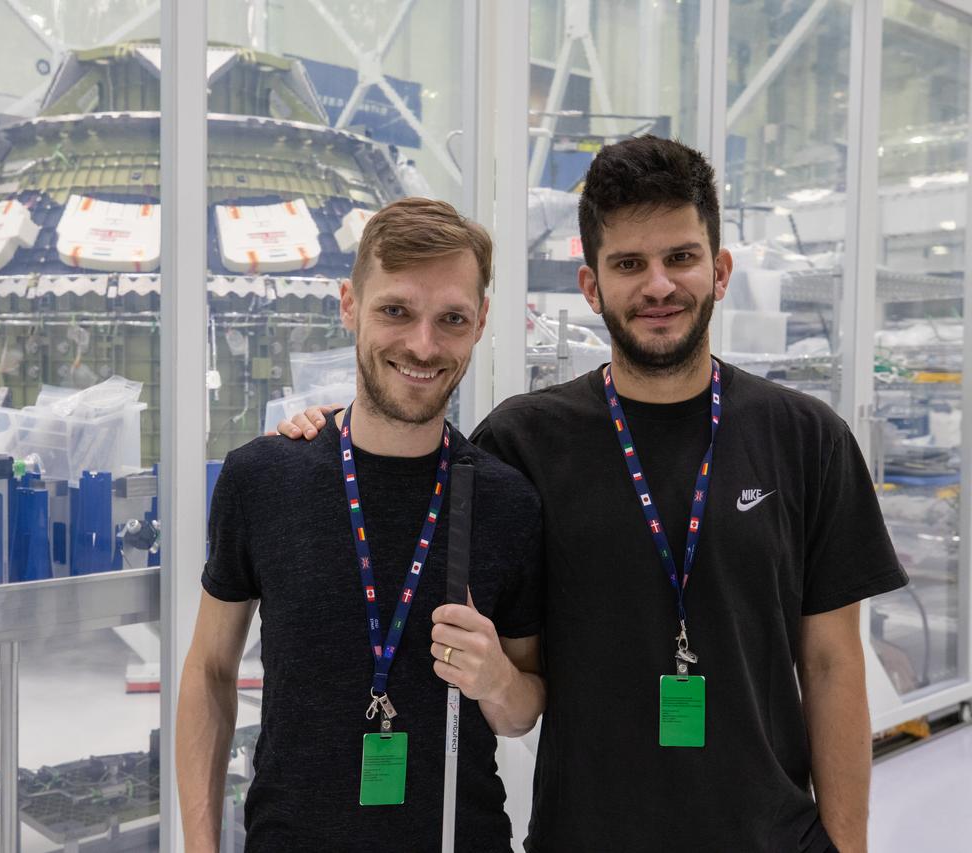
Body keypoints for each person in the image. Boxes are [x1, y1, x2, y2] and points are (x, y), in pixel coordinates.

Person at [278, 137, 909, 852]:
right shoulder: (523, 442)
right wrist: (325, 432)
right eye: (628, 264)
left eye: (680, 257)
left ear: (720, 270)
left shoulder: (806, 438)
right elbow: (400, 492)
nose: (658, 286)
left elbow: (831, 663)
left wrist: (847, 844)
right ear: (591, 285)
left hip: (771, 837)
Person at [176, 197, 547, 852]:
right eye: (396, 311)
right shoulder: (263, 478)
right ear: (350, 305)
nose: (424, 345)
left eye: (452, 319)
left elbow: (522, 710)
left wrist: (496, 679)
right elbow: (209, 669)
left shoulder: (505, 500)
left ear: (481, 322)